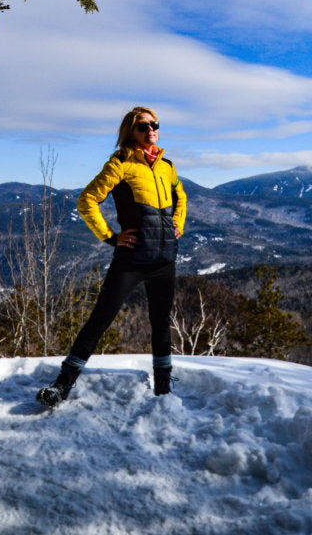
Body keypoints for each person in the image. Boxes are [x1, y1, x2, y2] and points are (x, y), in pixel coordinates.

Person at [36, 106, 187, 407]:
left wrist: (177, 225)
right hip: (131, 261)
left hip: (164, 261)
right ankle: (62, 384)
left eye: (154, 124)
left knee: (161, 324)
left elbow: (180, 196)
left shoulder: (167, 166)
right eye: (142, 126)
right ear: (130, 131)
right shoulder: (120, 163)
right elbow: (87, 200)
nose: (150, 130)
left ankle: (163, 389)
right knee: (100, 320)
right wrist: (111, 237)